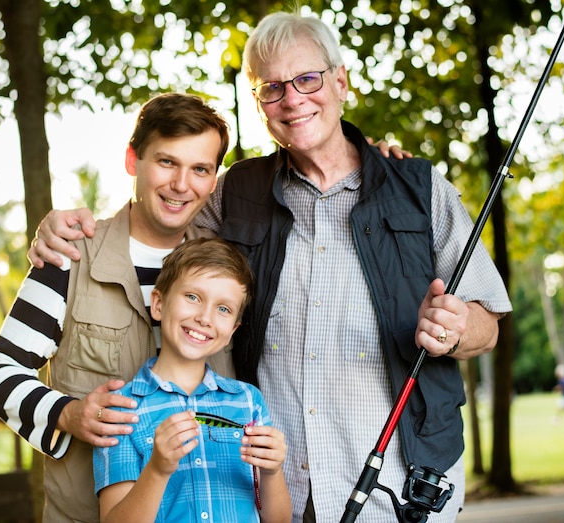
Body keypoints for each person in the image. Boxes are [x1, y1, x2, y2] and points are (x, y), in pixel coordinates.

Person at [28, 10, 512, 523]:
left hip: (399, 485)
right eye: (272, 88)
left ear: (341, 82)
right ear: (259, 106)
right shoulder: (234, 193)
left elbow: (489, 321)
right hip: (278, 487)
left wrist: (460, 330)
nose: (293, 100)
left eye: (307, 79)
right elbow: (161, 220)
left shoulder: (419, 189)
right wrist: (72, 228)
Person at [0, 93, 233, 523]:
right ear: (133, 160)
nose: (181, 184)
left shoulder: (226, 275)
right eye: (167, 162)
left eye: (200, 169)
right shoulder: (68, 257)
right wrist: (68, 414)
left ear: (213, 181)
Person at [93, 237, 291, 523]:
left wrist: (272, 472)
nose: (205, 317)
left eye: (223, 309)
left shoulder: (248, 402)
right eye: (193, 297)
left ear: (233, 330)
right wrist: (158, 469)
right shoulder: (120, 411)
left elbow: (279, 520)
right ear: (158, 304)